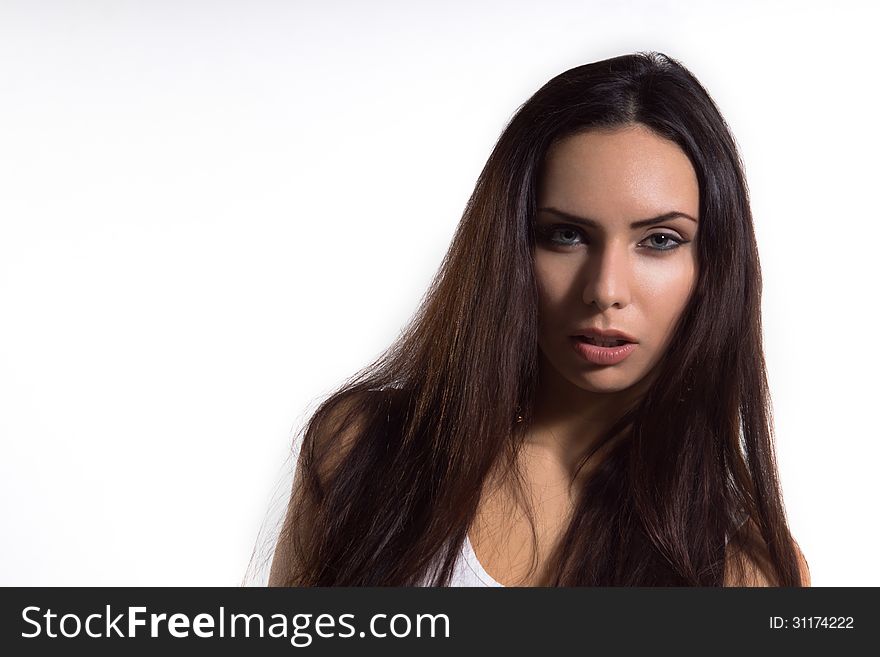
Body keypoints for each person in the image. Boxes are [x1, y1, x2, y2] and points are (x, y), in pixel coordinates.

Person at [259, 51, 810, 587]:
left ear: (713, 264)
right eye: (566, 235)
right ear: (511, 247)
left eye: (659, 241)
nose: (605, 290)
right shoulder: (365, 451)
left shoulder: (749, 570)